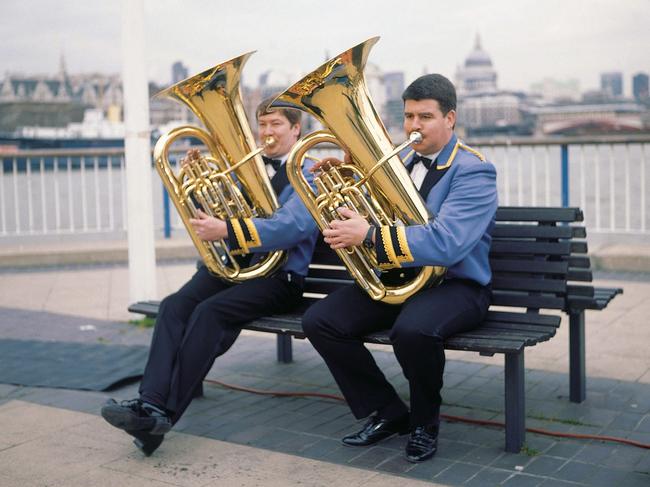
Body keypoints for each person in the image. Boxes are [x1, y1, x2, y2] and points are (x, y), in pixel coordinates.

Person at [101, 96, 318, 456]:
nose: (267, 132)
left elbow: (292, 228)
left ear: (296, 129)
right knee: (173, 306)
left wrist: (229, 229)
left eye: (276, 124)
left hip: (279, 278)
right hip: (234, 267)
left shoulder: (309, 171)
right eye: (262, 125)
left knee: (209, 313)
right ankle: (150, 403)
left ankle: (162, 416)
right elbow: (210, 215)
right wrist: (198, 181)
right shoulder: (242, 167)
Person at [302, 74, 498, 463]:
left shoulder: (474, 170)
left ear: (451, 119)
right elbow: (375, 216)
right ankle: (389, 411)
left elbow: (448, 243)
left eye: (425, 117)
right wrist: (341, 180)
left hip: (458, 286)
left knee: (412, 330)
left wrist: (370, 236)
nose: (413, 126)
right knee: (320, 320)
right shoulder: (399, 161)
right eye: (409, 116)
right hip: (405, 277)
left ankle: (425, 422)